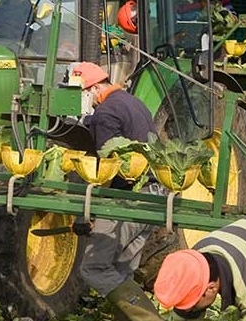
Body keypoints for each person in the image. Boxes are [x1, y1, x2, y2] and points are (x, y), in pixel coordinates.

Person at [73, 61, 163, 321]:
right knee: (122, 269)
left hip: (130, 200)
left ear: (94, 88)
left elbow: (107, 168)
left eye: (81, 93)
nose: (81, 99)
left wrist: (87, 213)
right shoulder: (133, 102)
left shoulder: (106, 114)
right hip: (154, 197)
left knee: (94, 268)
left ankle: (150, 319)